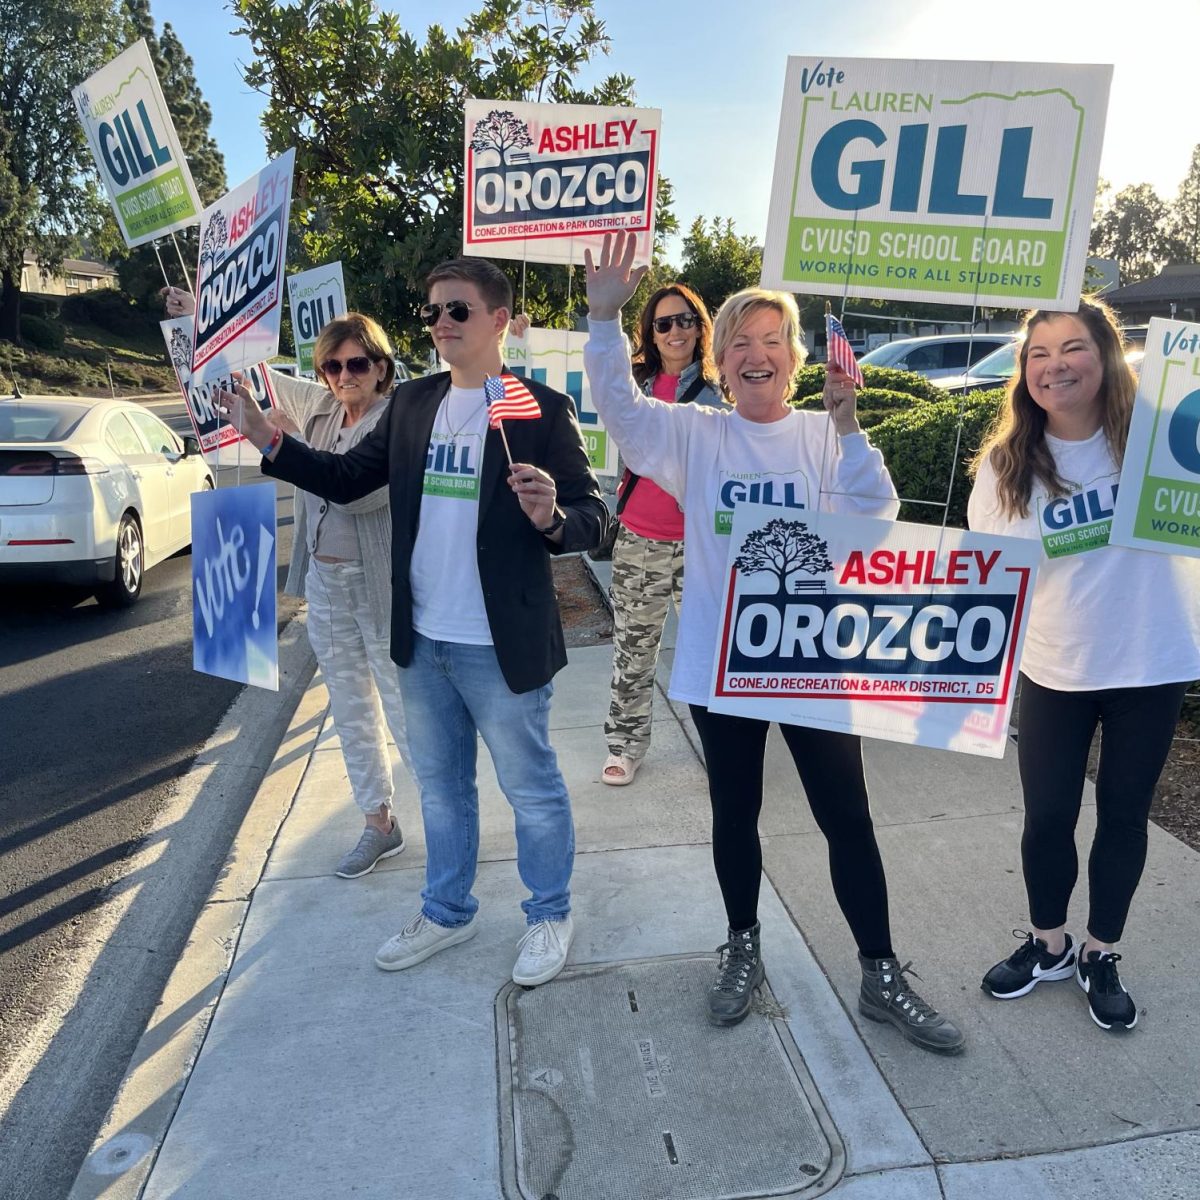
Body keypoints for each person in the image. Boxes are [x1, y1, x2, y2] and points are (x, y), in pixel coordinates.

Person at [582, 232, 965, 1052]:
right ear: (719, 360)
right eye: (740, 343)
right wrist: (604, 317)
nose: (757, 354)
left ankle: (881, 970)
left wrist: (850, 421)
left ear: (796, 356)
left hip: (812, 662)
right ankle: (743, 945)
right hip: (725, 666)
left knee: (846, 817)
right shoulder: (694, 436)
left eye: (772, 340)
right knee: (736, 812)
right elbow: (618, 406)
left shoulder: (825, 434)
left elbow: (875, 519)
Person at [219, 258, 607, 987]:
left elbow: (597, 520)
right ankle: (447, 909)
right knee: (440, 786)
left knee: (531, 788)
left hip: (502, 645)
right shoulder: (413, 405)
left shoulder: (541, 410)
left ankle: (549, 913)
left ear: (497, 319)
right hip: (422, 639)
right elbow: (342, 478)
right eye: (432, 312)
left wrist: (553, 515)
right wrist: (269, 442)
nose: (441, 324)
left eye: (457, 310)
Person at [969, 297, 1200, 1031]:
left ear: (1105, 358)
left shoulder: (1161, 442)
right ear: (1023, 373)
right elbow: (996, 568)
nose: (1054, 365)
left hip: (1149, 663)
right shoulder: (1006, 466)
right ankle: (1049, 944)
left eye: (1072, 349)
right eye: (1038, 354)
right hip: (1055, 668)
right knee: (1046, 818)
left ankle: (1100, 951)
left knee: (1124, 818)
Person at [165, 286, 412, 881]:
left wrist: (279, 441)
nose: (344, 375)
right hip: (325, 587)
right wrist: (199, 322)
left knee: (407, 711)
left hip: (379, 587)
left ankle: (452, 826)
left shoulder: (398, 423)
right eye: (333, 365)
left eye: (358, 363)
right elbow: (256, 372)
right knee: (351, 711)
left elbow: (359, 493)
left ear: (381, 368)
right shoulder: (321, 407)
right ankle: (378, 823)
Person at [601, 283, 722, 786]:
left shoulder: (723, 392)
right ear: (650, 333)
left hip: (701, 545)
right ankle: (625, 745)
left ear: (700, 326)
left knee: (709, 653)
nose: (675, 331)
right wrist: (517, 346)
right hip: (640, 540)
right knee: (634, 650)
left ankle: (724, 747)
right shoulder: (633, 386)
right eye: (663, 323)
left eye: (685, 320)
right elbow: (586, 375)